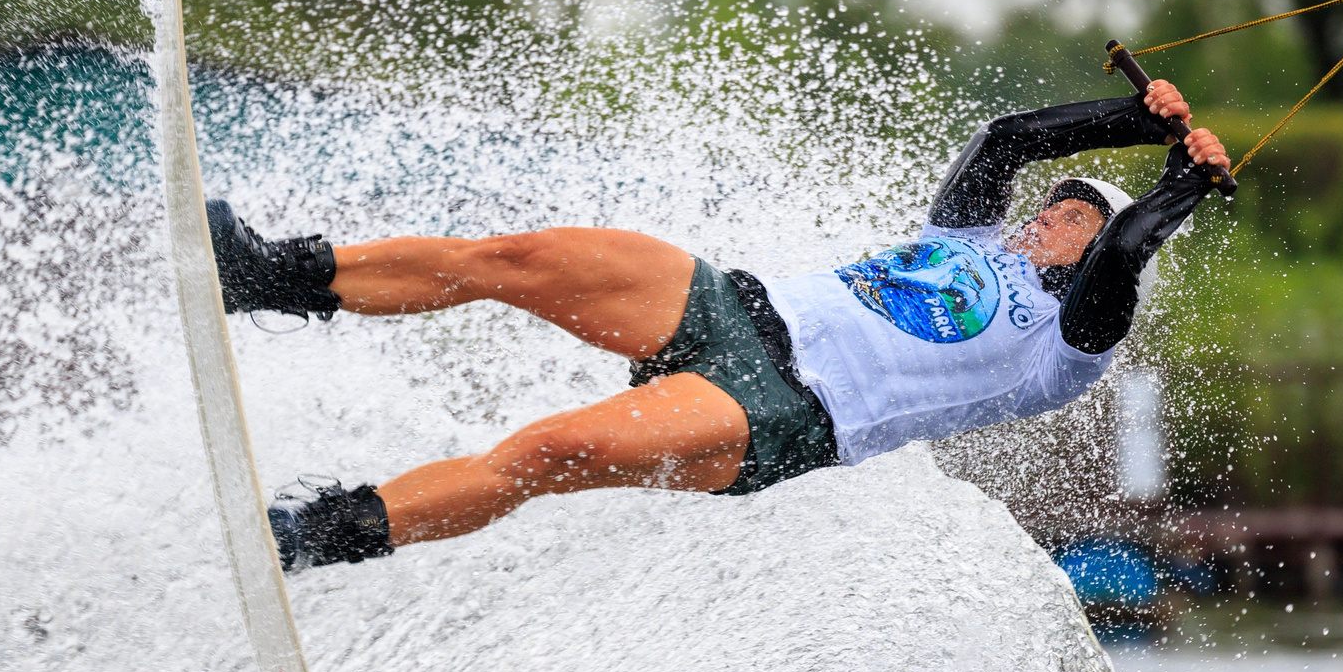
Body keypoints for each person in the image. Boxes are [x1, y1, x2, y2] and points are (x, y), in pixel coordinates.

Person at [214, 78, 1235, 570]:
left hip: (779, 410)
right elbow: (1009, 137)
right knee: (511, 259)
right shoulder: (965, 237)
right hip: (739, 307)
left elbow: (1125, 253)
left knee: (545, 449)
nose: (1054, 217)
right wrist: (1133, 121)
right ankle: (271, 275)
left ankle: (321, 532)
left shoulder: (1065, 352)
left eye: (1079, 218)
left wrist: (1180, 184)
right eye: (1056, 203)